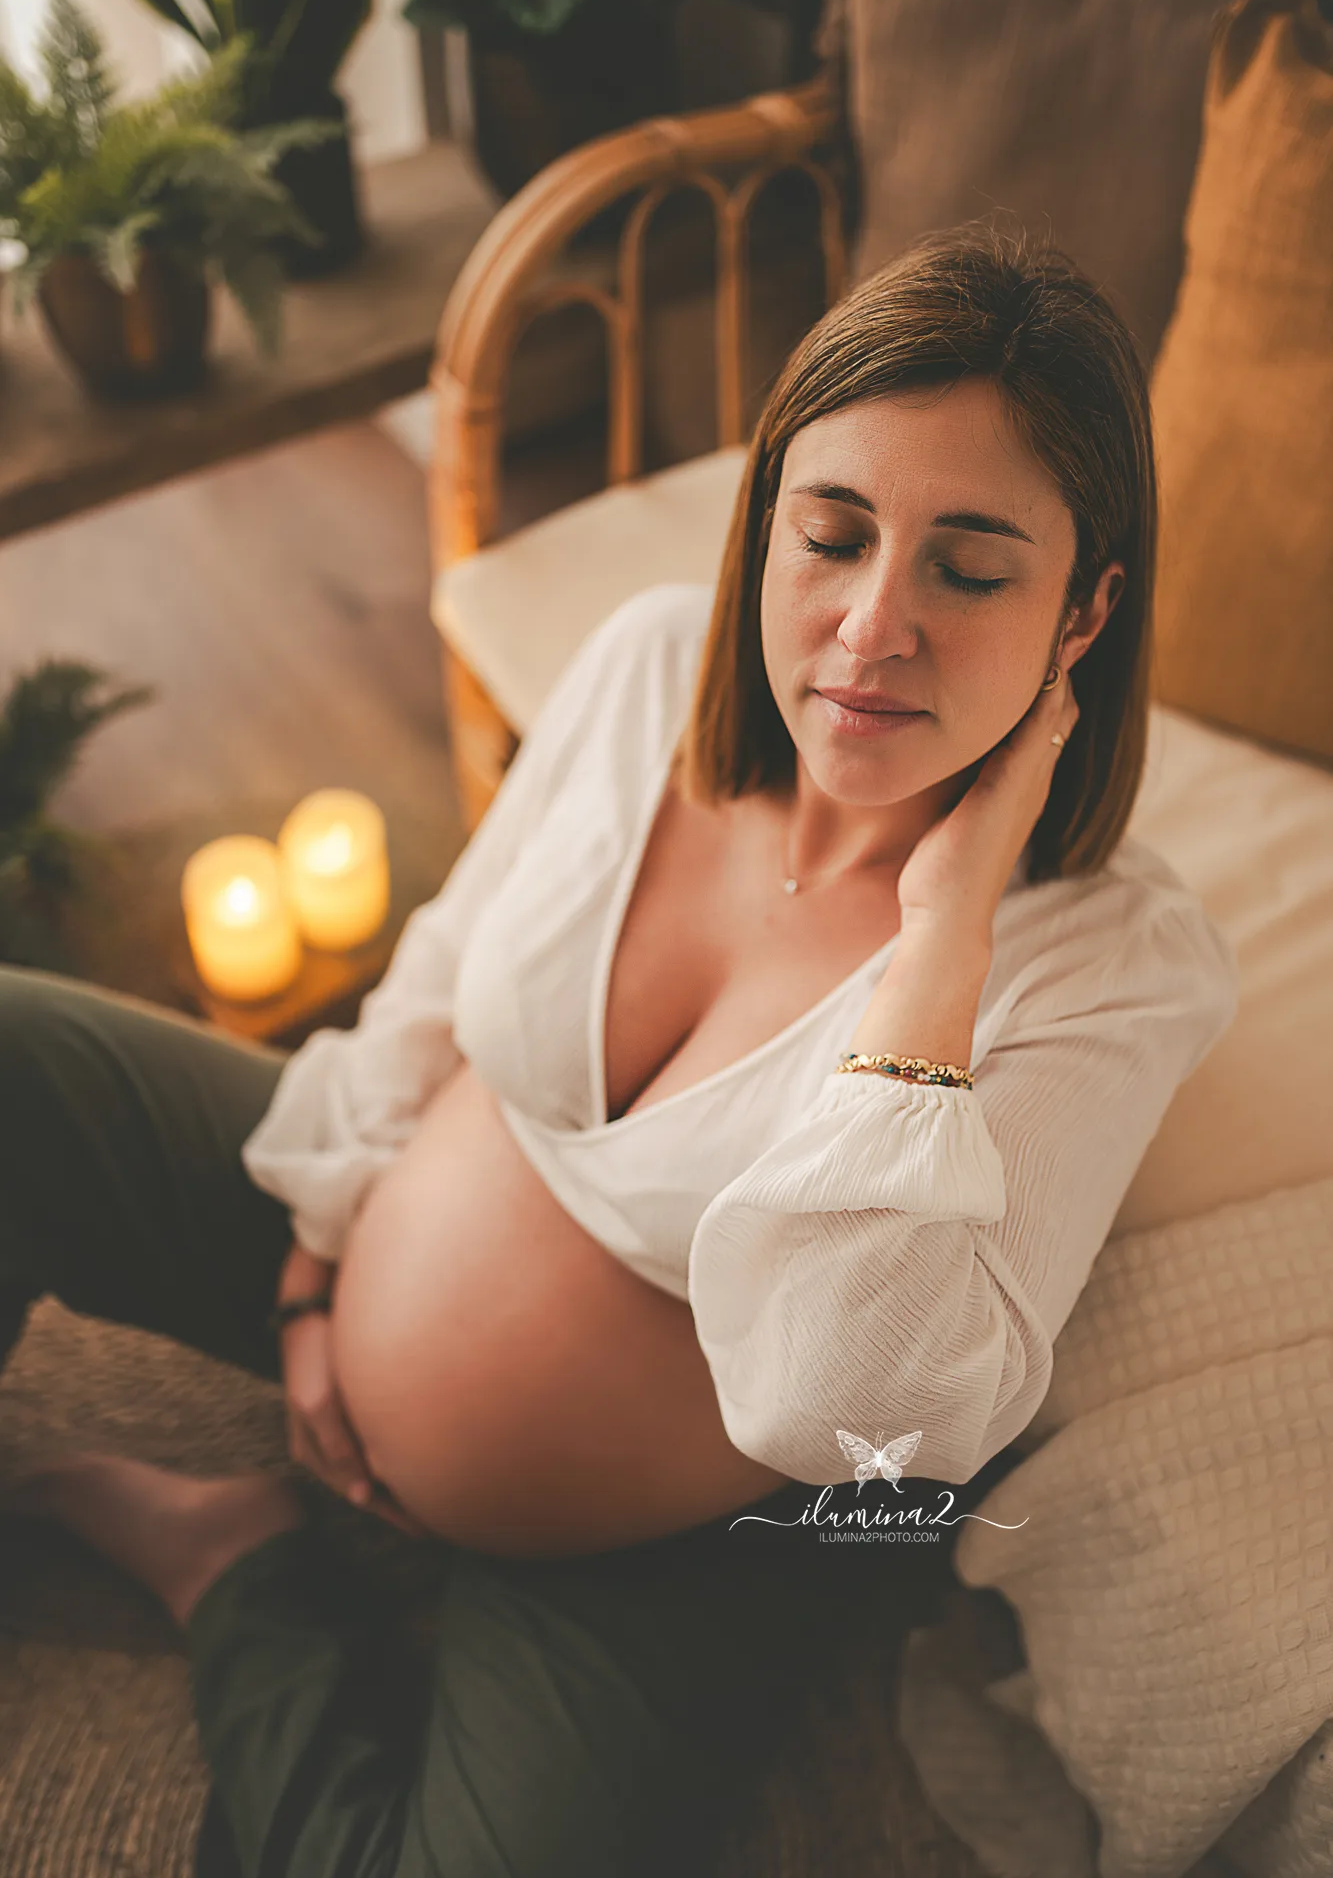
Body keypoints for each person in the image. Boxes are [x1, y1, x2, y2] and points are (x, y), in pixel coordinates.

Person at [0, 224, 1238, 1877]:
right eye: (837, 535)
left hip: (650, 1548)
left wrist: (942, 941)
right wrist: (312, 1263)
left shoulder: (1113, 964)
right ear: (767, 528)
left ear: (1085, 607)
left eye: (971, 565)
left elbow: (855, 1403)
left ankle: (229, 1572)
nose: (872, 629)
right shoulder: (656, 660)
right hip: (350, 1262)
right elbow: (448, 963)